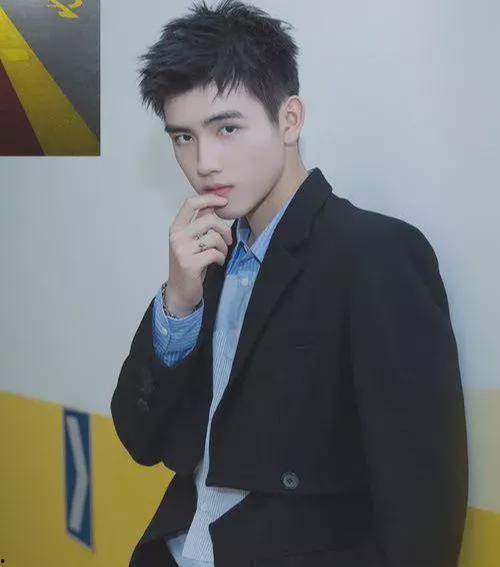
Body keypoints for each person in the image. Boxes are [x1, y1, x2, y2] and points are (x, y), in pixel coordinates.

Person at [110, 1, 469, 566]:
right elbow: (141, 439)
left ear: (290, 119)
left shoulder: (374, 255)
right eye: (183, 138)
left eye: (227, 128)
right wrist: (178, 302)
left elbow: (423, 512)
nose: (204, 162)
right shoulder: (208, 261)